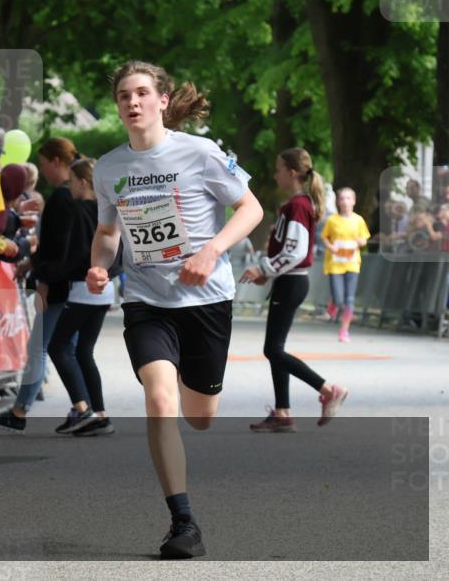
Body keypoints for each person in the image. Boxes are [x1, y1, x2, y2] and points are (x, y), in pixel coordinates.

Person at [87, 60, 264, 559]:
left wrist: (211, 251)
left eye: (142, 93)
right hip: (147, 301)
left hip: (207, 300)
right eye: (124, 95)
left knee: (201, 416)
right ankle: (182, 522)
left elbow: (251, 208)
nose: (133, 102)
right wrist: (98, 266)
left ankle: (196, 389)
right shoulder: (109, 168)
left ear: (162, 100)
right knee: (160, 401)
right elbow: (107, 234)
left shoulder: (202, 153)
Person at [241, 148, 350, 433]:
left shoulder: (298, 205)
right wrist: (271, 272)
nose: (275, 174)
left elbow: (296, 252)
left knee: (273, 349)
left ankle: (328, 389)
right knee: (276, 348)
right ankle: (282, 412)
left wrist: (263, 269)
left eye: (278, 169)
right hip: (288, 280)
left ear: (291, 172)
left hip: (292, 281)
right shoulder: (297, 204)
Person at [0, 137, 82, 432]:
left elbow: (58, 247)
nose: (42, 171)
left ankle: (22, 409)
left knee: (41, 347)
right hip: (69, 284)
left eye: (43, 164)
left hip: (57, 283)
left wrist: (43, 279)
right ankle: (85, 405)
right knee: (65, 349)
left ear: (56, 162)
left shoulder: (62, 199)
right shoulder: (71, 196)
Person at [47, 158, 116, 436]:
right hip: (105, 287)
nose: (69, 186)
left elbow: (73, 254)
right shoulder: (106, 209)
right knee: (84, 350)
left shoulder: (78, 211)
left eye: (72, 181)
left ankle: (82, 406)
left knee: (58, 345)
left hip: (83, 287)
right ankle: (99, 413)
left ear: (83, 183)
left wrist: (49, 274)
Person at [320, 187, 370, 342]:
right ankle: (334, 303)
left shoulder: (359, 220)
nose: (345, 201)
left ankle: (344, 331)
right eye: (342, 198)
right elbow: (324, 237)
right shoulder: (332, 220)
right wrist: (331, 246)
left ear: (354, 201)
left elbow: (364, 239)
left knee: (349, 299)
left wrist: (361, 242)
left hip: (352, 263)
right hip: (335, 264)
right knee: (339, 298)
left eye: (348, 198)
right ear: (338, 202)